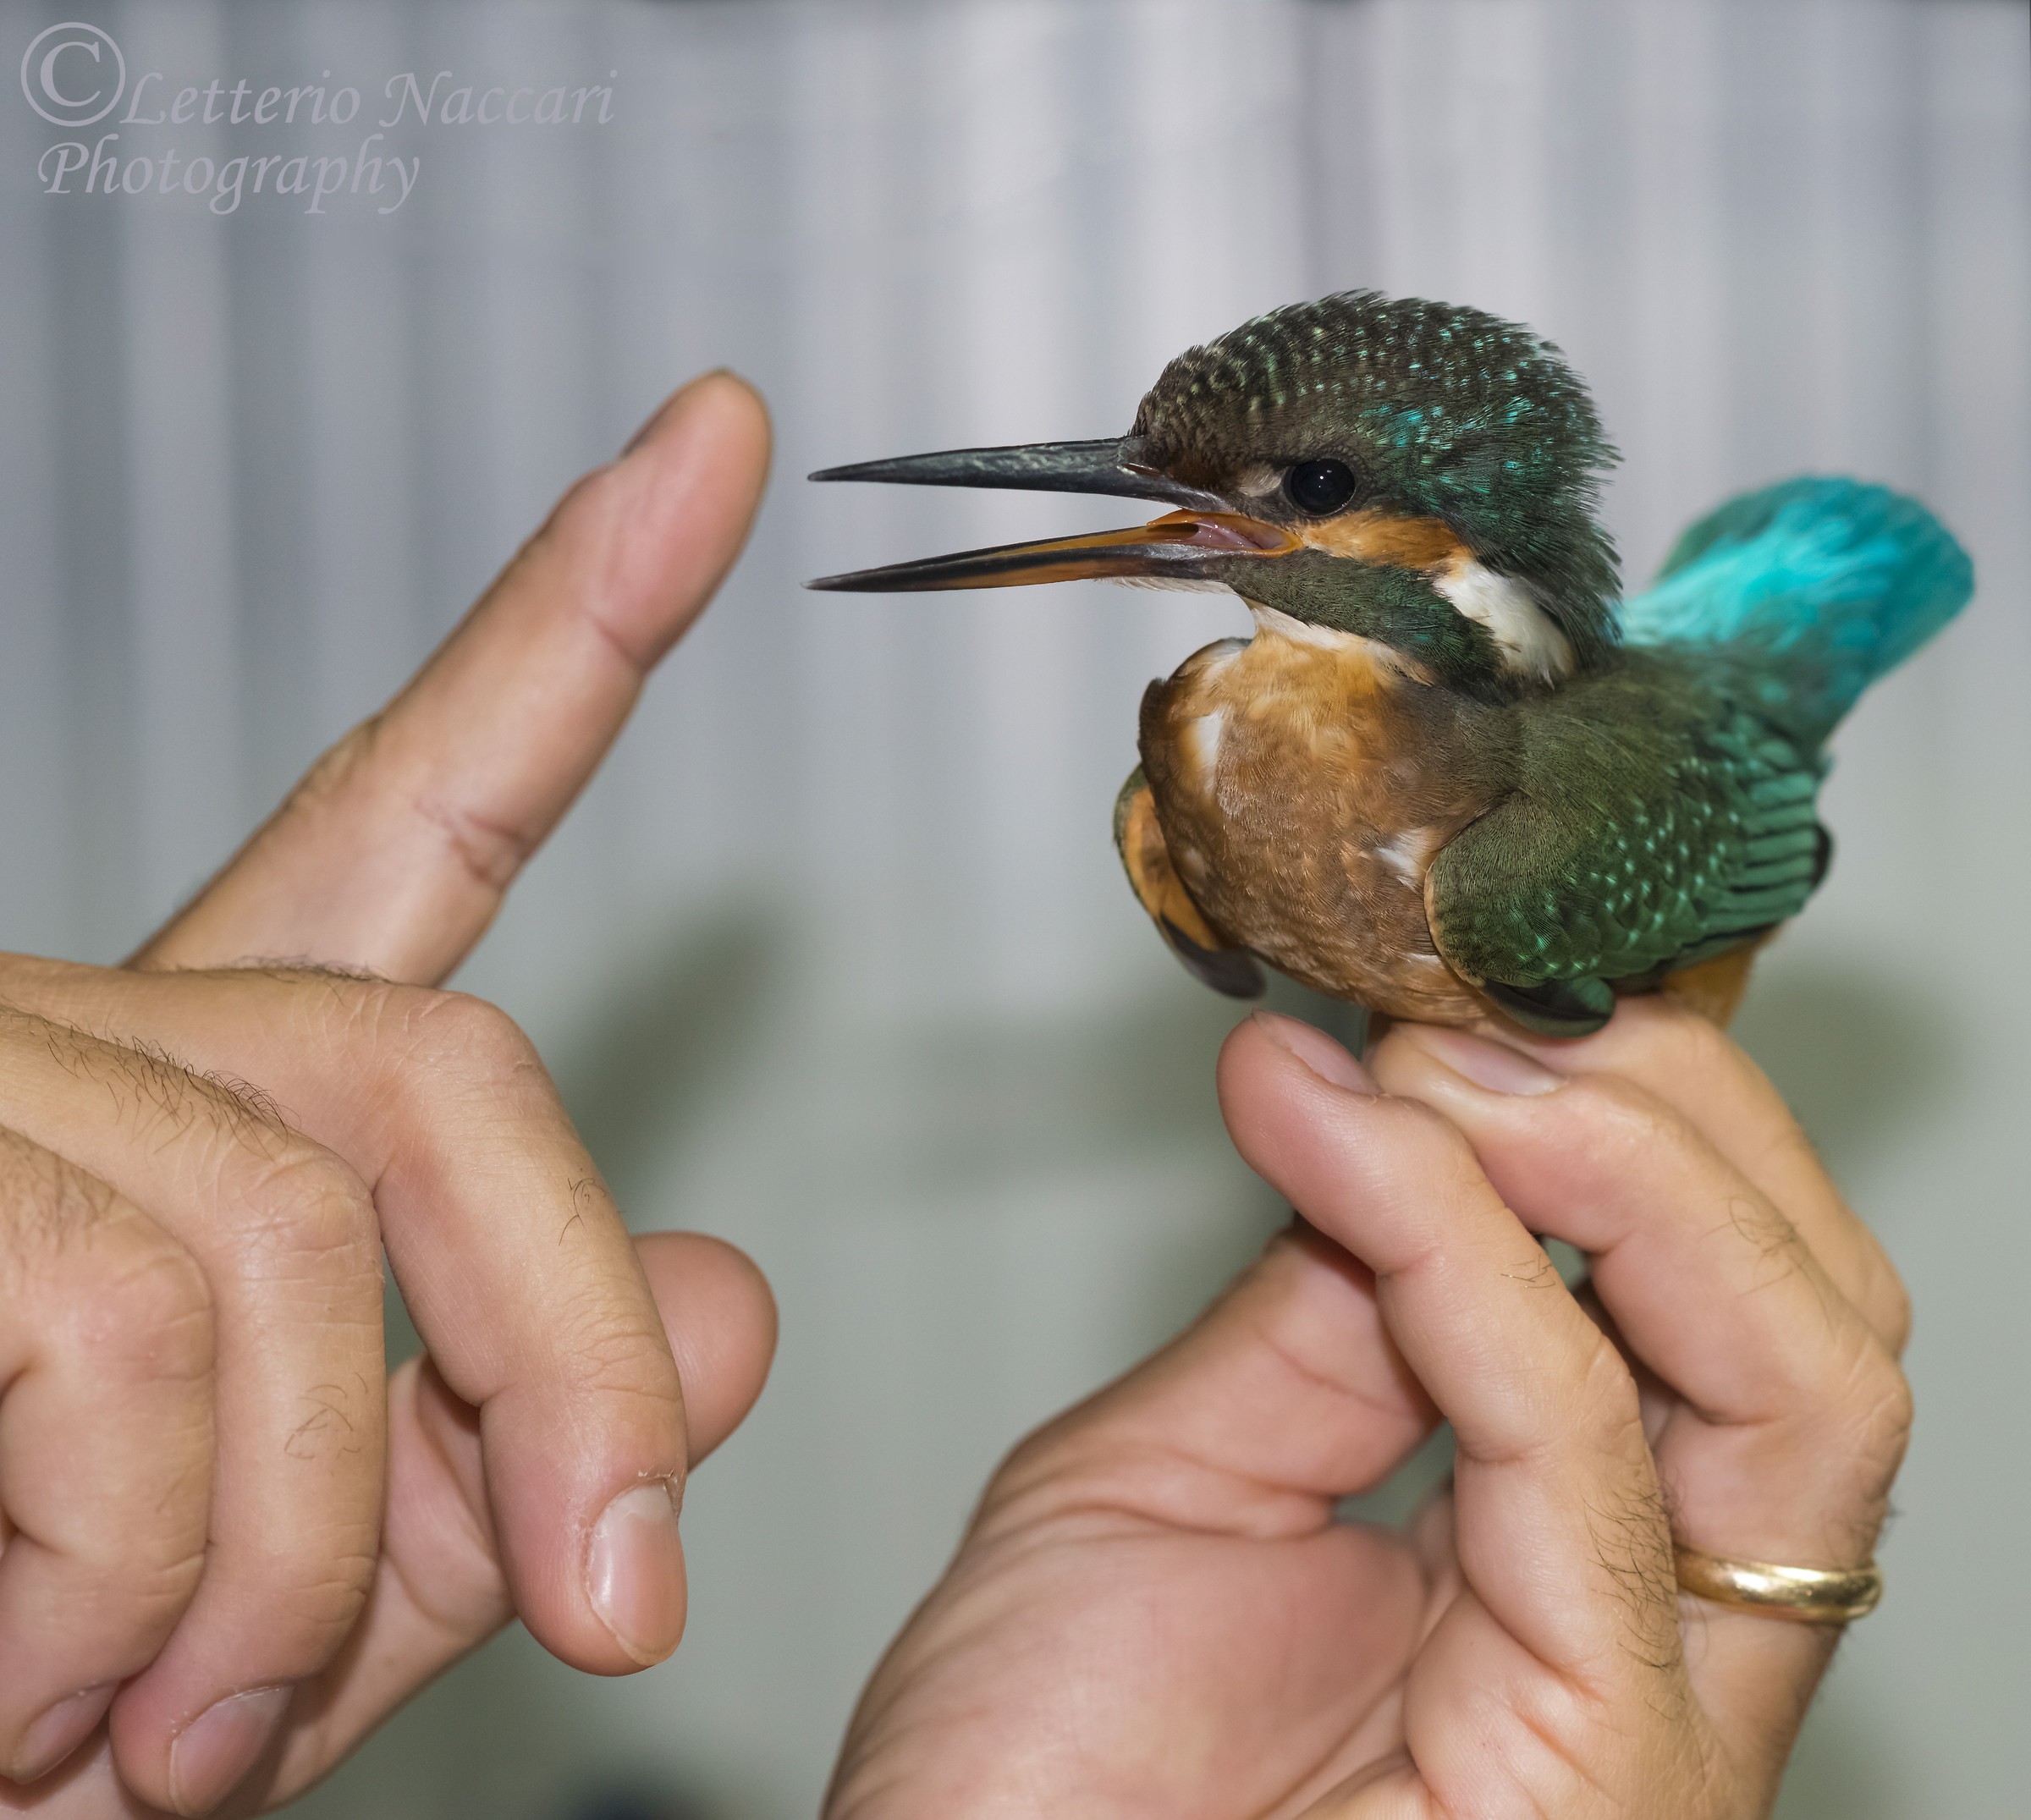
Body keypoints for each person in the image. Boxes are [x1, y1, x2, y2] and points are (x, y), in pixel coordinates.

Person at [0, 376, 1911, 1819]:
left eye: (1303, 494)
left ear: (1447, 556)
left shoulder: (1529, 837)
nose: (1207, 519)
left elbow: (1766, 854)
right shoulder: (1194, 767)